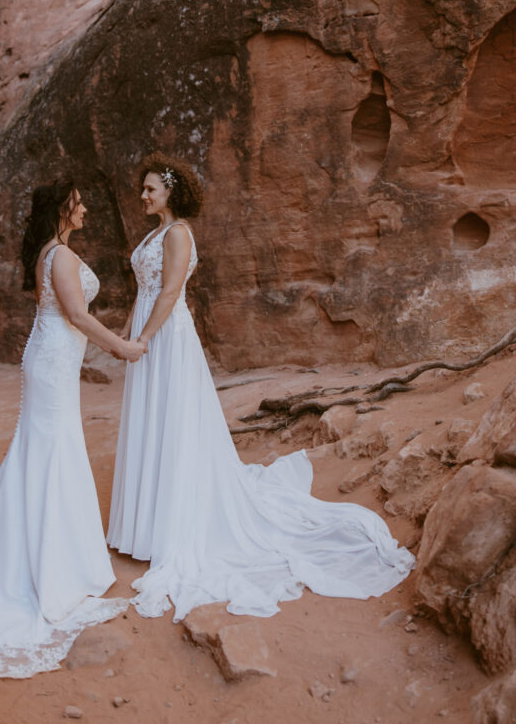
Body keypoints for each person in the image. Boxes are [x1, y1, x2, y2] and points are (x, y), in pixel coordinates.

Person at [108, 154, 415, 621]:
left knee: (172, 423)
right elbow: (144, 290)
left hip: (167, 338)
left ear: (171, 192)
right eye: (145, 189)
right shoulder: (153, 234)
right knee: (152, 422)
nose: (144, 195)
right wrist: (126, 334)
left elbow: (170, 292)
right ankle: (145, 526)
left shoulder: (178, 234)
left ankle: (169, 525)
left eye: (151, 189)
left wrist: (145, 338)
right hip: (148, 334)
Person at [0, 179, 145, 678]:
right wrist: (121, 346)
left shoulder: (51, 252)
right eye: (79, 201)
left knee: (44, 448)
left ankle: (38, 549)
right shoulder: (59, 257)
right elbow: (76, 313)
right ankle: (51, 566)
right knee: (52, 449)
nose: (86, 207)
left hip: (51, 355)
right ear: (63, 208)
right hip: (54, 358)